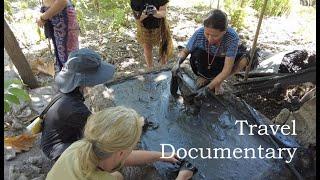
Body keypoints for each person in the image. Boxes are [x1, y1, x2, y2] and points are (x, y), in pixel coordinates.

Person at [46, 106, 196, 180]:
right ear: (121, 152)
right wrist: (180, 178)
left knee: (117, 175)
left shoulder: (81, 146)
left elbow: (124, 157)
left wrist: (160, 155)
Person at [40, 48, 115, 161]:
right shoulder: (75, 109)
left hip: (64, 136)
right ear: (83, 82)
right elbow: (100, 130)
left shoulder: (66, 92)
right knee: (102, 152)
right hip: (58, 150)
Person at [172, 9, 249, 95]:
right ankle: (204, 76)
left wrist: (207, 89)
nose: (210, 39)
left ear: (224, 32)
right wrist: (177, 63)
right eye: (207, 34)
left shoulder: (232, 38)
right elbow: (185, 51)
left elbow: (227, 69)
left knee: (244, 59)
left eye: (215, 36)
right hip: (206, 59)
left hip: (222, 61)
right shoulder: (199, 33)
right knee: (197, 52)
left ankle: (218, 80)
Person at [36, 0, 80, 71]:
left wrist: (43, 17)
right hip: (51, 13)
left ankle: (75, 80)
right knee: (61, 57)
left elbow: (62, 1)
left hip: (62, 13)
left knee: (69, 59)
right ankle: (67, 79)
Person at [130, 0, 173, 70]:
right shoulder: (136, 1)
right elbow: (137, 17)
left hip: (160, 23)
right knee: (147, 47)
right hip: (144, 25)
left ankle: (164, 67)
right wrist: (145, 14)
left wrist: (155, 13)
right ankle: (150, 68)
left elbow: (163, 12)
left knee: (163, 44)